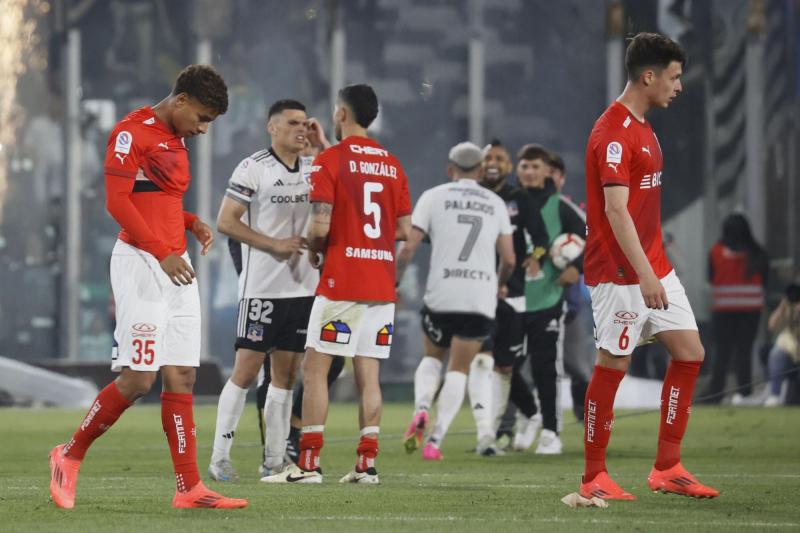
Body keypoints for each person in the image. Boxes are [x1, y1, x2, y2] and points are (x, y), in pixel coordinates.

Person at [48, 65, 248, 509]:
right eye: (202, 118)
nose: (202, 128)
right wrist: (161, 251)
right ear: (180, 101)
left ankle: (189, 489)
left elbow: (157, 199)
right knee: (139, 379)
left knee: (183, 374)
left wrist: (191, 223)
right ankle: (69, 454)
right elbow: (118, 202)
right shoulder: (129, 133)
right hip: (143, 262)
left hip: (174, 261)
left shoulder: (175, 138)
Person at [580, 32, 718, 500]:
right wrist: (644, 275)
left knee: (690, 352)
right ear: (649, 76)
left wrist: (655, 269)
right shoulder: (613, 132)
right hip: (620, 272)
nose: (678, 86)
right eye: (674, 77)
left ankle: (667, 467)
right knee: (613, 364)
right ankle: (593, 475)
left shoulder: (643, 125)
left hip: (652, 266)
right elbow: (616, 212)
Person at [263, 84, 411, 484]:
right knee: (369, 376)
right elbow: (403, 231)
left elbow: (321, 224)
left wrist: (315, 247)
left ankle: (308, 465)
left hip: (342, 280)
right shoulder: (392, 164)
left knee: (314, 369)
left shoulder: (330, 160)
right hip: (380, 284)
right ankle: (367, 465)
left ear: (341, 114)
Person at [208, 99, 330, 481]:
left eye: (305, 123)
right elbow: (226, 222)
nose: (301, 129)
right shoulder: (253, 168)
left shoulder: (315, 167)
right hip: (261, 290)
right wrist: (272, 244)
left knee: (287, 376)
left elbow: (344, 175)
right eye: (293, 123)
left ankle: (274, 461)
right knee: (245, 372)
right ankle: (219, 458)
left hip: (302, 289)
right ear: (272, 127)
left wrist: (323, 143)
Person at [397, 142, 516, 459]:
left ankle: (422, 405)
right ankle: (435, 440)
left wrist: (395, 279)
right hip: (478, 297)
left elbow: (408, 247)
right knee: (460, 369)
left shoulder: (433, 197)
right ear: (480, 170)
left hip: (442, 293)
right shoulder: (495, 203)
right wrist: (498, 284)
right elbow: (509, 260)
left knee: (432, 358)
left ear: (450, 169)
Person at [467, 140, 547, 453]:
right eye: (488, 157)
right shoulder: (471, 196)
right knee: (482, 360)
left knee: (505, 367)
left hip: (513, 293)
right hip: (477, 291)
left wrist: (536, 256)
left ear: (508, 166)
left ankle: (529, 414)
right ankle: (487, 434)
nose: (493, 162)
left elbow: (540, 238)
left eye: (499, 158)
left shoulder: (519, 199)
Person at [512, 143, 585, 454]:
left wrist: (576, 268)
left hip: (547, 299)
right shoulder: (507, 202)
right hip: (510, 297)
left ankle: (551, 432)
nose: (529, 172)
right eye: (524, 166)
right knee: (503, 364)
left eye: (535, 166)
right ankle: (530, 413)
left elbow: (593, 237)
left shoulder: (560, 207)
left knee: (545, 366)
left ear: (546, 172)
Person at [706, 213, 768, 404]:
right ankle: (745, 393)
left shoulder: (716, 251)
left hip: (723, 311)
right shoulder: (758, 253)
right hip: (750, 312)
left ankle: (716, 394)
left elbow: (711, 277)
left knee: (722, 353)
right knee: (744, 352)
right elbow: (765, 280)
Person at [764, 284, 800, 406]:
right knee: (776, 354)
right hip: (792, 350)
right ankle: (775, 394)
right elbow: (771, 325)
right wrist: (782, 307)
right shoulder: (788, 306)